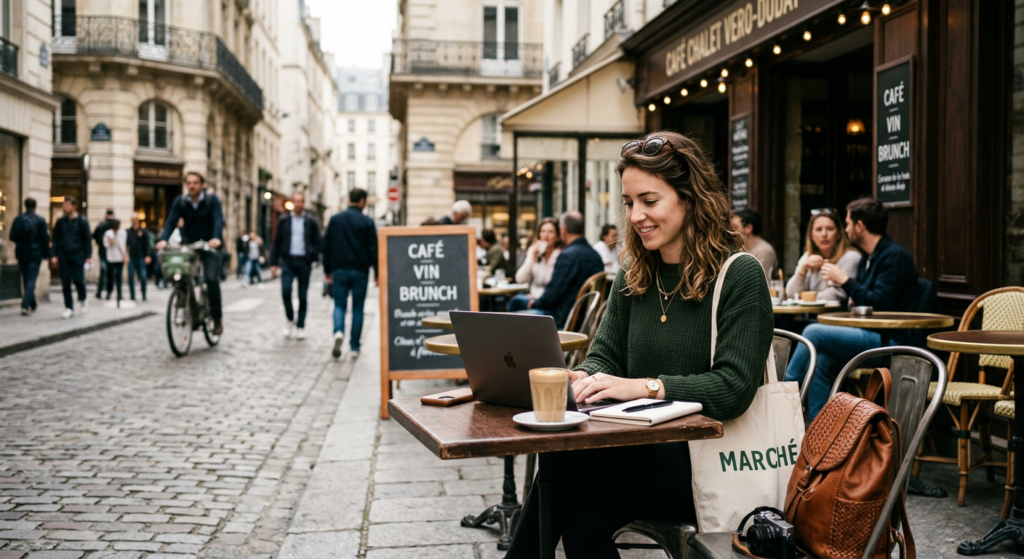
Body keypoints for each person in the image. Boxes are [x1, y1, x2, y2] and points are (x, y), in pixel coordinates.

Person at [505, 132, 773, 559]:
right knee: (579, 510)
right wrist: (585, 377)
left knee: (566, 465)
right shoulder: (633, 274)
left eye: (650, 201)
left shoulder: (740, 275)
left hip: (710, 464)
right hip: (638, 456)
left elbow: (733, 389)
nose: (636, 216)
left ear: (690, 198)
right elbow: (604, 356)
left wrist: (645, 387)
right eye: (630, 203)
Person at [785, 198, 920, 420]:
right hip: (872, 335)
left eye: (847, 224)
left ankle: (783, 399)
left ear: (859, 226)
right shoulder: (871, 256)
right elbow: (866, 300)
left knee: (812, 332)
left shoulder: (893, 256)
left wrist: (845, 281)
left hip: (892, 342)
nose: (845, 229)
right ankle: (817, 428)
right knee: (820, 359)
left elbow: (879, 303)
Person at [156, 171, 225, 335]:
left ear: (202, 185)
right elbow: (171, 220)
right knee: (179, 272)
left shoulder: (212, 200)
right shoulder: (181, 202)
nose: (192, 186)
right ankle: (186, 300)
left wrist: (216, 238)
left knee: (210, 279)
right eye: (189, 183)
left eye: (195, 183)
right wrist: (164, 239)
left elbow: (218, 220)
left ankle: (216, 318)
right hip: (190, 244)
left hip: (209, 245)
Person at [323, 188, 378, 359]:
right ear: (362, 200)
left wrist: (327, 270)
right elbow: (373, 249)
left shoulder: (335, 219)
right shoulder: (367, 222)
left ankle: (338, 332)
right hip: (360, 271)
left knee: (339, 305)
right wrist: (377, 272)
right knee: (358, 308)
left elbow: (326, 246)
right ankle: (354, 346)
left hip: (340, 269)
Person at [525, 211, 604, 327]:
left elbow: (553, 295)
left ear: (563, 230)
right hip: (586, 322)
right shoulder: (595, 255)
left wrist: (535, 304)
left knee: (512, 318)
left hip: (563, 320)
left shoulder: (568, 255)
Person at [270, 192, 322, 340]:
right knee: (286, 291)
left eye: (301, 201)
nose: (298, 204)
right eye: (296, 201)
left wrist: (312, 255)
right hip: (288, 261)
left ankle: (301, 326)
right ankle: (290, 318)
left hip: (304, 262)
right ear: (292, 203)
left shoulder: (311, 221)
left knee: (302, 296)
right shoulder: (284, 220)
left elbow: (318, 241)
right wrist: (273, 263)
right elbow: (277, 241)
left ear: (304, 204)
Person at [785, 209, 861, 302]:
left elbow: (840, 293)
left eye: (830, 229)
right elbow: (791, 294)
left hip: (838, 314)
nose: (824, 234)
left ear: (839, 234)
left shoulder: (851, 257)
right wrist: (802, 270)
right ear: (811, 236)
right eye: (819, 229)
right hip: (812, 315)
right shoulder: (808, 257)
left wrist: (805, 298)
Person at [507, 217, 562, 312]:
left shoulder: (560, 256)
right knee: (514, 302)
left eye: (550, 232)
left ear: (557, 237)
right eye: (543, 231)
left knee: (516, 314)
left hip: (546, 302)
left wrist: (537, 297)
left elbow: (553, 286)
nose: (546, 235)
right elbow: (520, 279)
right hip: (532, 298)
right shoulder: (536, 255)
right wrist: (531, 256)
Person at [51, 196, 92, 319]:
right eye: (64, 205)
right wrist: (54, 254)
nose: (65, 207)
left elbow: (87, 239)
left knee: (79, 280)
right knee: (65, 282)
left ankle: (83, 298)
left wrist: (88, 256)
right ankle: (69, 307)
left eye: (67, 205)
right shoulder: (60, 221)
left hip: (78, 254)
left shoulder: (82, 221)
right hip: (64, 255)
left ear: (74, 206)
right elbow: (55, 239)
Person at [9, 197, 50, 315]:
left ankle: (32, 303)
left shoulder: (18, 219)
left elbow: (12, 236)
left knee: (26, 277)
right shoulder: (40, 220)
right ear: (35, 206)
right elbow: (44, 238)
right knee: (31, 278)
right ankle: (25, 305)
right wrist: (46, 253)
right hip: (35, 252)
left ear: (25, 206)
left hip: (22, 251)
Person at [731, 207, 778, 279]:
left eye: (735, 227)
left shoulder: (764, 251)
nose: (731, 231)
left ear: (749, 228)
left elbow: (760, 282)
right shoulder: (737, 248)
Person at [126, 216, 152, 302]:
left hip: (141, 257)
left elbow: (147, 244)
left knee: (143, 277)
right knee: (131, 277)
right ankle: (132, 296)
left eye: (136, 220)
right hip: (132, 257)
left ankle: (144, 294)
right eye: (133, 220)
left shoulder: (144, 231)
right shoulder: (128, 232)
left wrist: (148, 255)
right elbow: (126, 245)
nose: (135, 222)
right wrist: (126, 256)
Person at [92, 209, 115, 299]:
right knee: (110, 273)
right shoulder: (114, 224)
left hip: (103, 252)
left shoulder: (102, 224)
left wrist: (99, 243)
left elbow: (94, 235)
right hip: (111, 253)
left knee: (103, 272)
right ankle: (108, 292)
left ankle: (100, 292)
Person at [103, 218, 127, 304]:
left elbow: (124, 245)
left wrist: (125, 256)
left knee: (119, 277)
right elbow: (105, 245)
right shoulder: (108, 233)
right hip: (111, 258)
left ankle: (119, 294)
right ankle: (109, 292)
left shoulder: (123, 233)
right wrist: (110, 242)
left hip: (120, 258)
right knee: (110, 277)